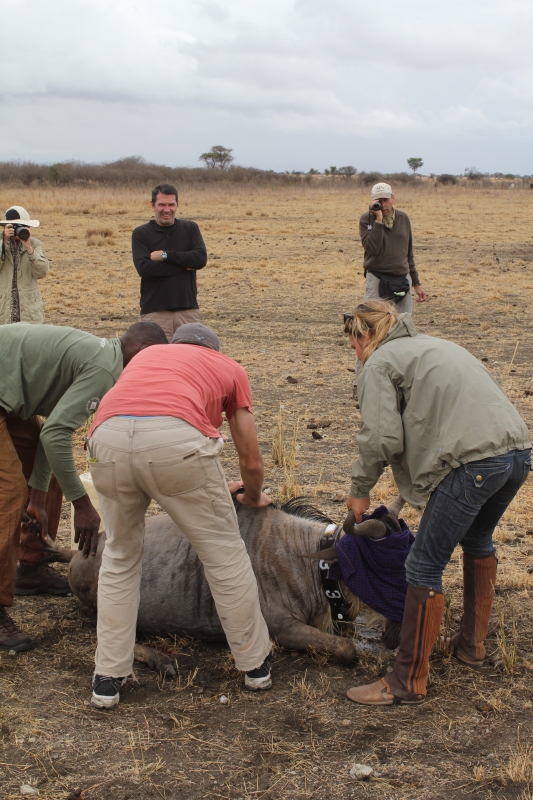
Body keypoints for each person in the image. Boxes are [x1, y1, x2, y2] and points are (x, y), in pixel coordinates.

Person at [342, 301, 531, 706]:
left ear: (365, 335)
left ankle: (406, 680)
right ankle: (471, 647)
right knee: (477, 540)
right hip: (517, 454)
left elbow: (381, 438)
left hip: (474, 463)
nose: (354, 352)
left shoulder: (379, 362)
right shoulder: (435, 345)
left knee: (423, 565)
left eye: (353, 343)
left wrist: (360, 488)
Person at [86, 323, 273, 709]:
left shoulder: (147, 357)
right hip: (176, 441)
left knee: (120, 557)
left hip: (105, 439)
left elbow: (135, 421)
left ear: (176, 344)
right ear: (214, 351)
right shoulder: (228, 367)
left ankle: (107, 678)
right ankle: (255, 664)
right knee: (224, 553)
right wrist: (252, 495)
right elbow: (251, 460)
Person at [0, 321, 167, 652]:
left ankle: (31, 563)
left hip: (9, 397)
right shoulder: (105, 370)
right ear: (144, 351)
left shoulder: (102, 357)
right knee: (9, 491)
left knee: (47, 474)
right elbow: (56, 435)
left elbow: (50, 432)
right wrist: (82, 505)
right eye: (154, 362)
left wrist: (38, 497)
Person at [132, 183, 208, 342]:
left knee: (188, 356)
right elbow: (144, 269)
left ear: (177, 205)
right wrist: (184, 265)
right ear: (152, 205)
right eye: (162, 205)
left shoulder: (190, 229)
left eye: (171, 205)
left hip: (187, 310)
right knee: (159, 356)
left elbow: (200, 259)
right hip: (155, 312)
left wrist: (165, 255)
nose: (167, 210)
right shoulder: (141, 233)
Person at [0, 206, 49, 325]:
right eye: (14, 227)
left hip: (29, 311)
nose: (18, 230)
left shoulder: (34, 244)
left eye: (22, 226)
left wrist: (29, 248)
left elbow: (41, 272)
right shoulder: (1, 244)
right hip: (4, 310)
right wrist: (3, 243)